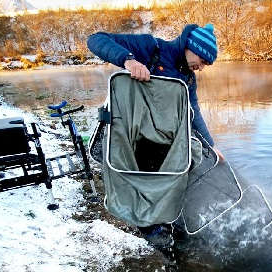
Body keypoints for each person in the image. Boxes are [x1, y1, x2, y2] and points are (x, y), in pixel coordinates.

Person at [87, 23, 223, 247]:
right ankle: (148, 228)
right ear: (192, 47)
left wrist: (211, 145)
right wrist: (128, 60)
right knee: (141, 180)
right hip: (135, 134)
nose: (202, 67)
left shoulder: (188, 78)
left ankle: (163, 218)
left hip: (166, 141)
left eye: (207, 64)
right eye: (204, 60)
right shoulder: (152, 48)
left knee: (175, 173)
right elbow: (96, 39)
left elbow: (194, 112)